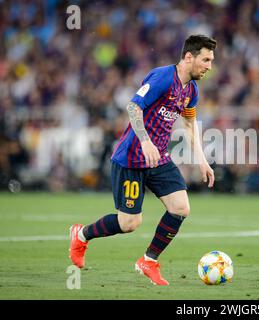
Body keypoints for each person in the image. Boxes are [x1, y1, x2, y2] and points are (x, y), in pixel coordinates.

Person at [69, 35, 217, 285]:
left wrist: (202, 160)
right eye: (206, 59)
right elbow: (133, 107)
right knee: (129, 223)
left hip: (158, 159)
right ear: (189, 57)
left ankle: (148, 260)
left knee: (181, 208)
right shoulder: (162, 77)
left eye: (211, 61)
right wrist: (146, 141)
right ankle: (81, 235)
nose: (209, 66)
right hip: (132, 159)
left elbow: (190, 123)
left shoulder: (191, 91)